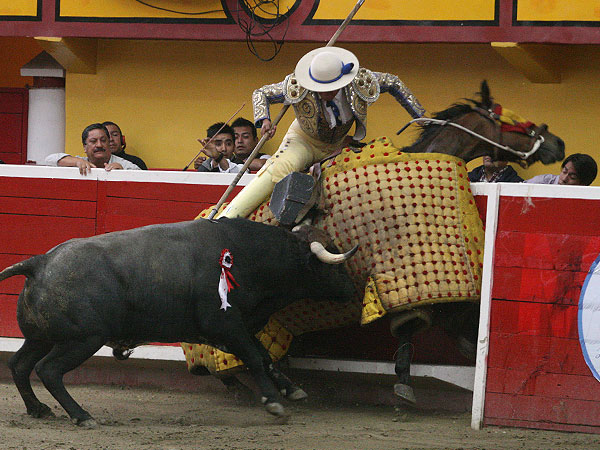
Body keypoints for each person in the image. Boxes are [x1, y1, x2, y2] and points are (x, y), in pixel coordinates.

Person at [219, 46, 425, 219]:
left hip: (339, 145)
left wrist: (421, 117)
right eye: (318, 87)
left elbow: (395, 83)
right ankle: (228, 217)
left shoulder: (360, 81)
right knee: (279, 168)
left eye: (330, 87)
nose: (324, 92)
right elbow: (261, 93)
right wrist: (264, 119)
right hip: (303, 141)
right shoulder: (298, 85)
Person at [45, 123, 141, 175]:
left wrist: (124, 173)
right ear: (85, 147)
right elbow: (49, 160)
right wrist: (76, 161)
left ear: (108, 144)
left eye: (103, 140)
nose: (99, 145)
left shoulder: (124, 164)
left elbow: (143, 178)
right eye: (93, 141)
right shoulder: (80, 161)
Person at [525, 153, 598, 186]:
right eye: (564, 171)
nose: (564, 179)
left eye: (572, 177)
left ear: (583, 184)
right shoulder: (541, 182)